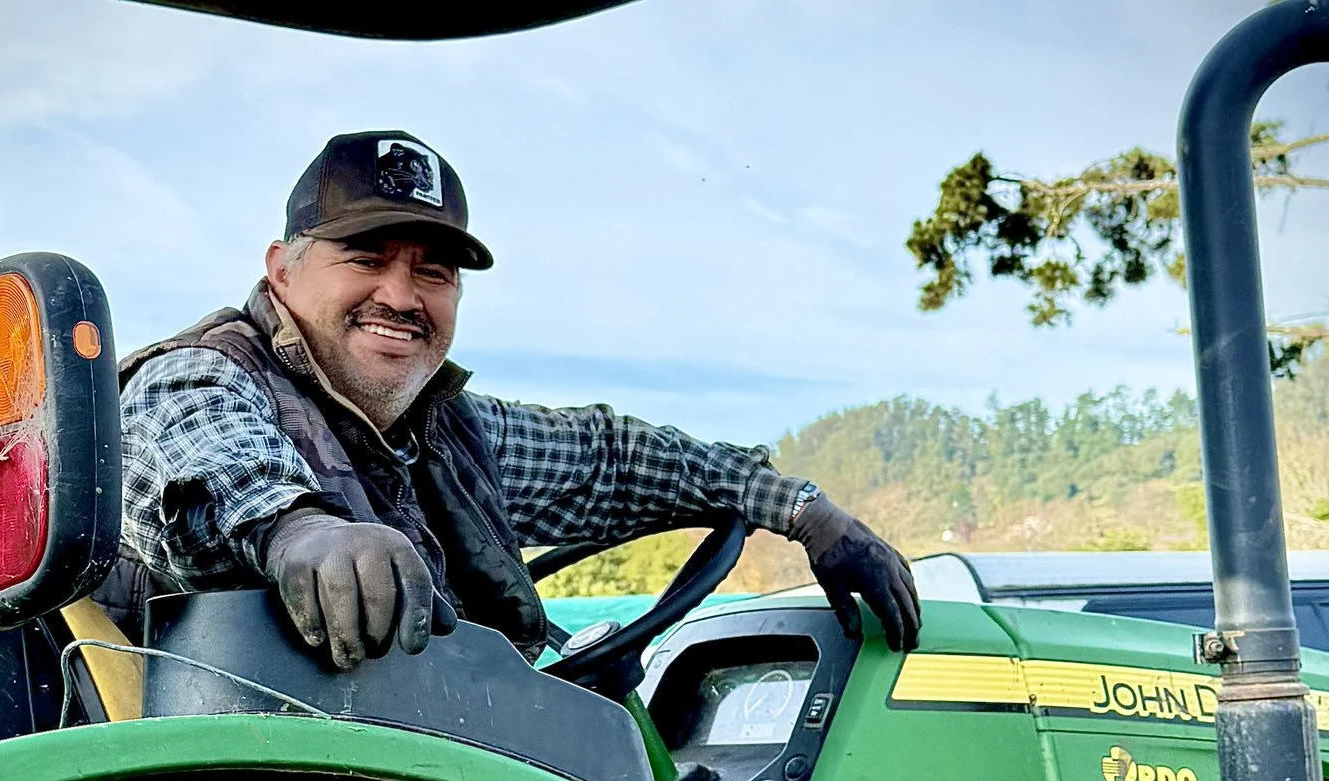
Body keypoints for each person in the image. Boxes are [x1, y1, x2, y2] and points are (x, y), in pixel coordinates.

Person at [115, 130, 920, 670]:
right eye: (365, 257)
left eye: (431, 272)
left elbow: (618, 457)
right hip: (265, 773)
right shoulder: (205, 375)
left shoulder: (446, 434)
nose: (399, 294)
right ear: (282, 271)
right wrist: (301, 530)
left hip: (427, 757)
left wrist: (806, 512)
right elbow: (201, 452)